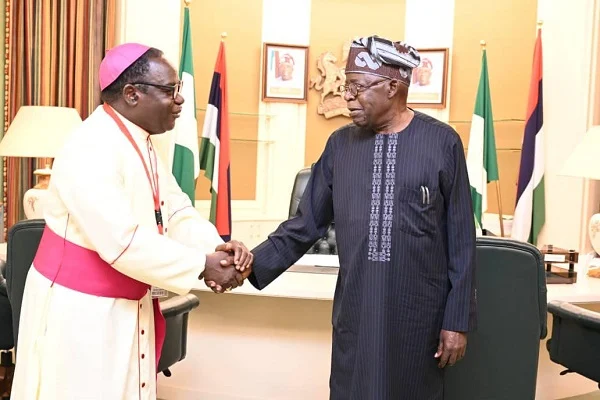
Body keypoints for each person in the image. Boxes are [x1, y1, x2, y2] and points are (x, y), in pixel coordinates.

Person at [11, 43, 252, 400]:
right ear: (132, 94)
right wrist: (203, 265)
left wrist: (216, 247)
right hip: (82, 314)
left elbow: (175, 211)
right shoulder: (90, 145)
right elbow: (122, 240)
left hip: (125, 305)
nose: (180, 100)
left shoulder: (140, 140)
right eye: (169, 90)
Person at [247, 35, 476, 399]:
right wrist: (247, 264)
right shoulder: (340, 145)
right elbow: (305, 224)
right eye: (345, 87)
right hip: (356, 311)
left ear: (392, 87)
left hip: (419, 319)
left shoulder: (442, 143)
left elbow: (462, 241)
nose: (347, 97)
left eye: (357, 87)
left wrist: (457, 321)